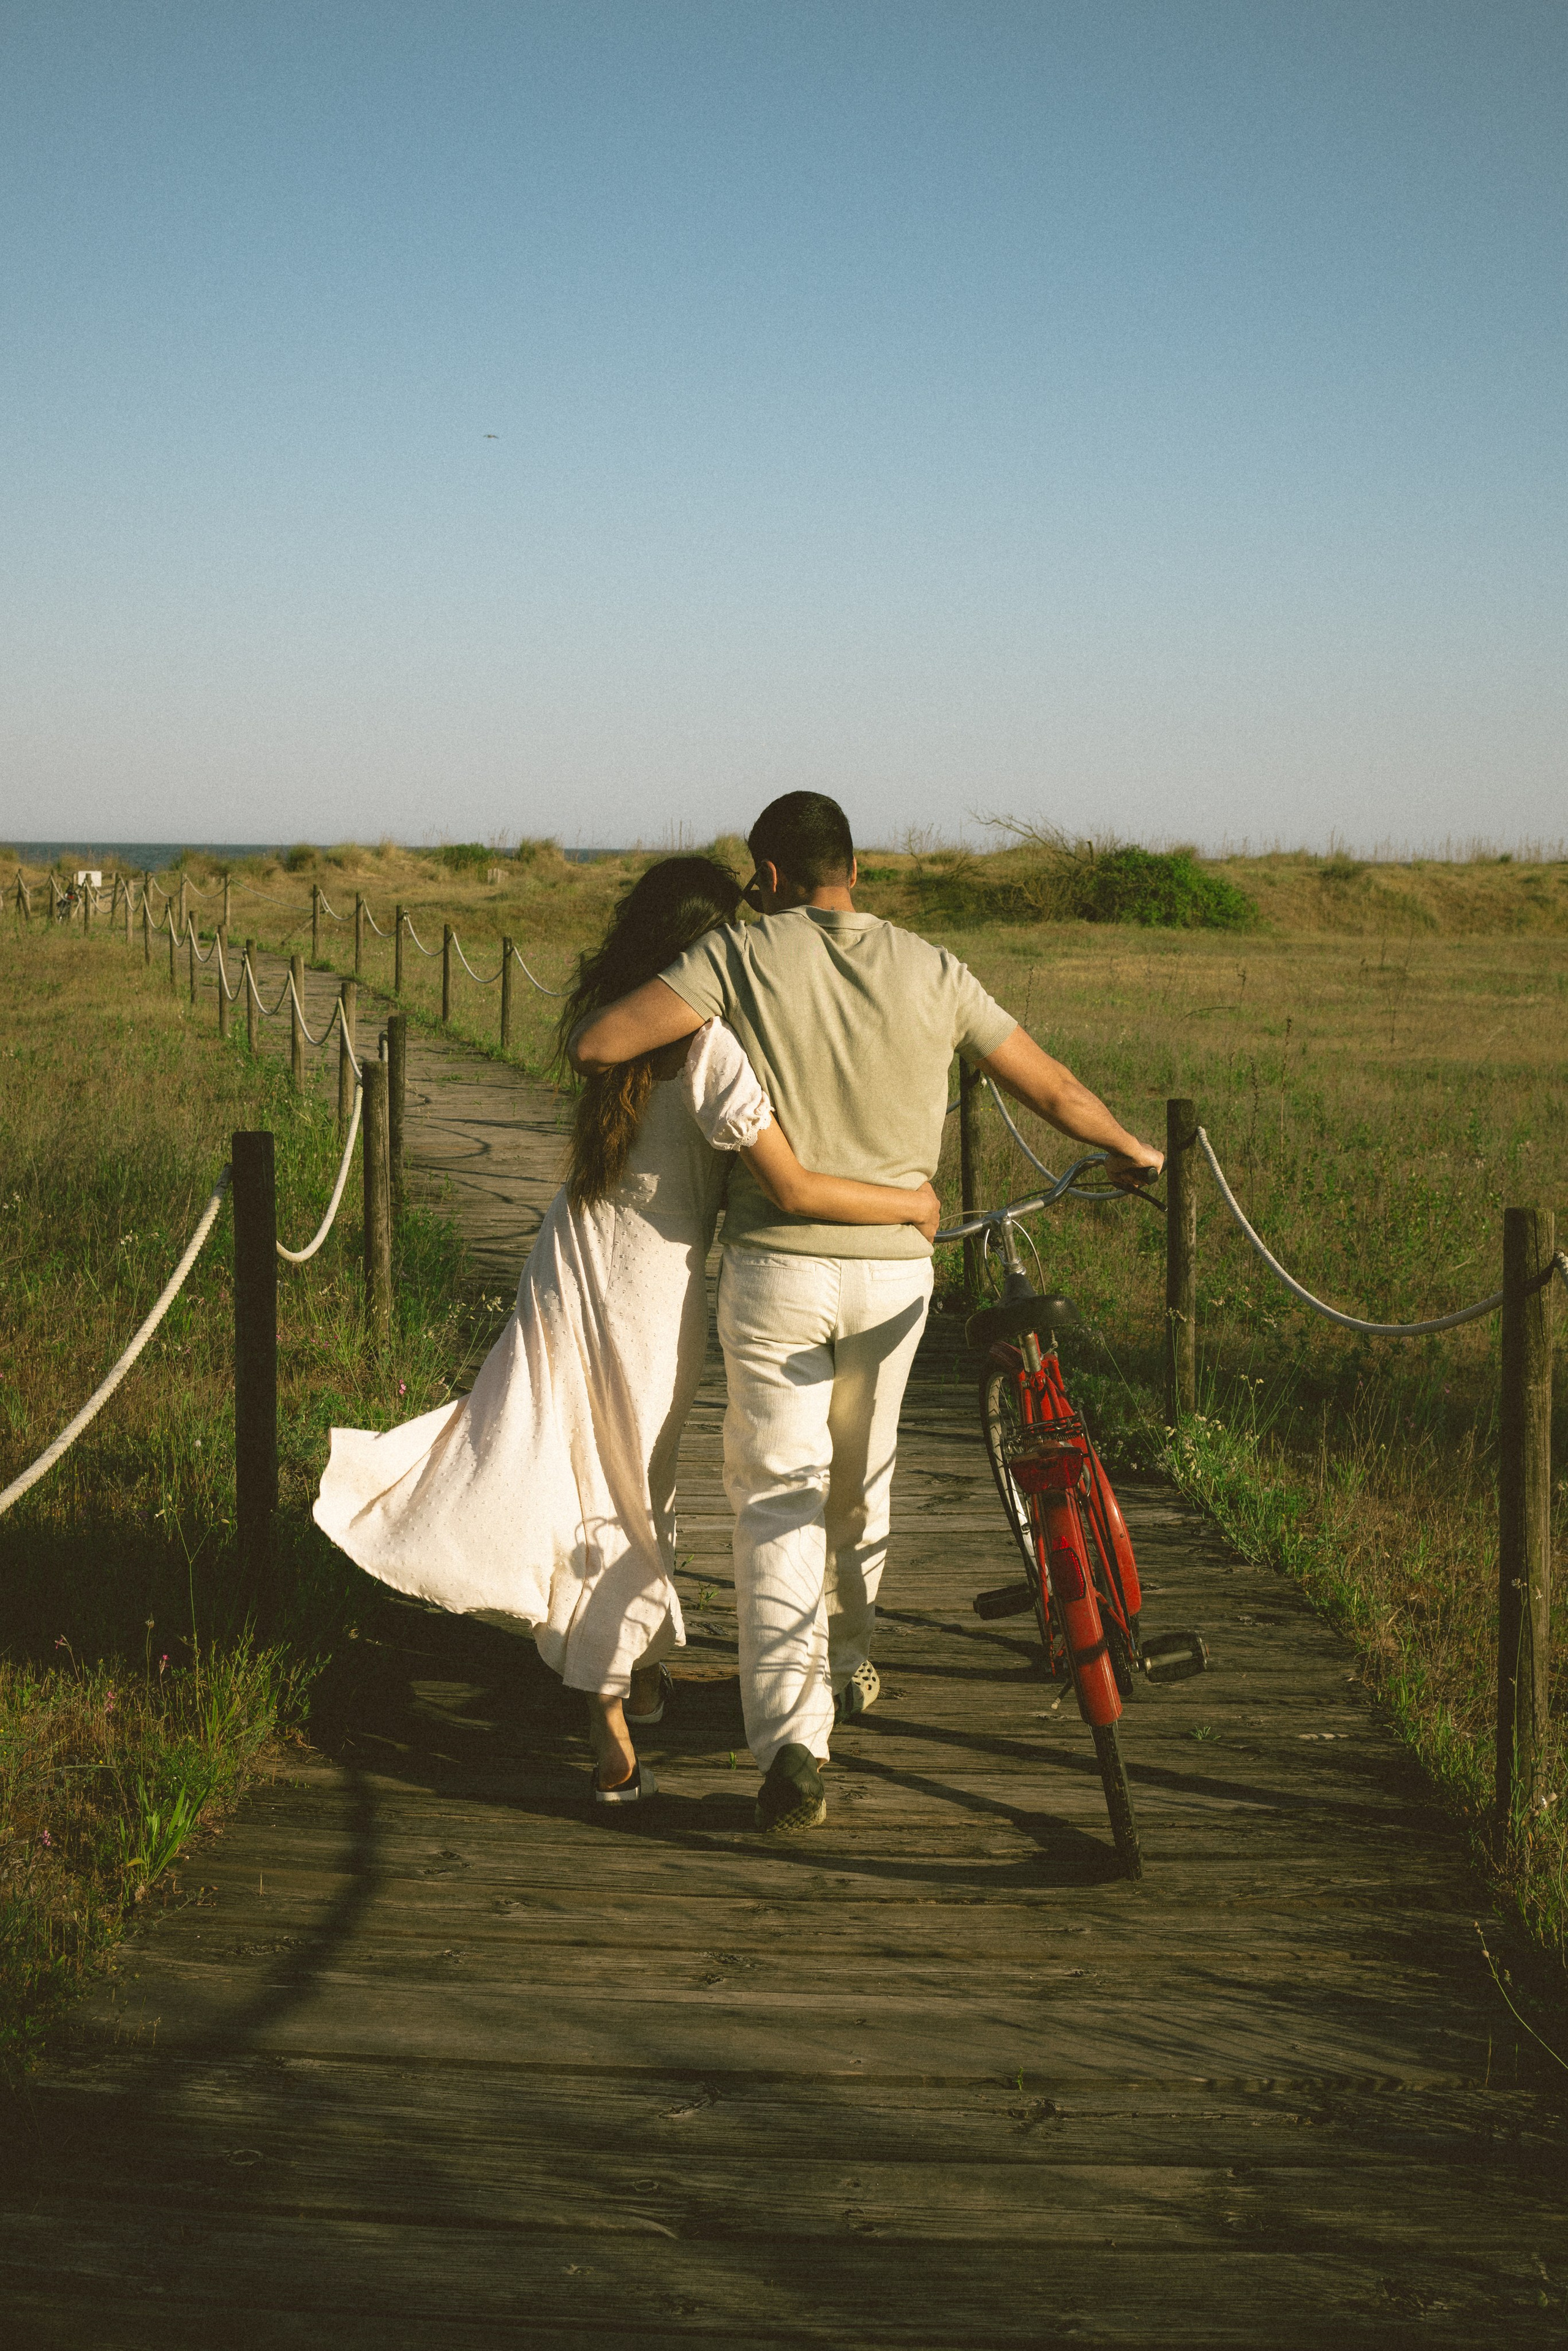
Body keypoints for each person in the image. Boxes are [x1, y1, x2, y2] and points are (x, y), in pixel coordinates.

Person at [570, 794, 1164, 1833]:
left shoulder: (740, 954)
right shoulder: (935, 968)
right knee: (862, 1482)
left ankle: (794, 1741)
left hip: (775, 1273)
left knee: (775, 1500)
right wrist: (1131, 1148)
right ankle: (849, 1661)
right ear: (855, 869)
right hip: (896, 1271)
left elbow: (602, 1041)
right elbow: (1051, 1083)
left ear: (766, 874)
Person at [314, 856, 938, 1806]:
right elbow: (796, 1188)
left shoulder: (614, 1025)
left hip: (566, 1261)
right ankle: (607, 1718)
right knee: (629, 1486)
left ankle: (634, 1672)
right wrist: (912, 1204)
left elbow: (599, 1060)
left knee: (563, 1452)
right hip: (651, 1294)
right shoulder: (714, 1050)